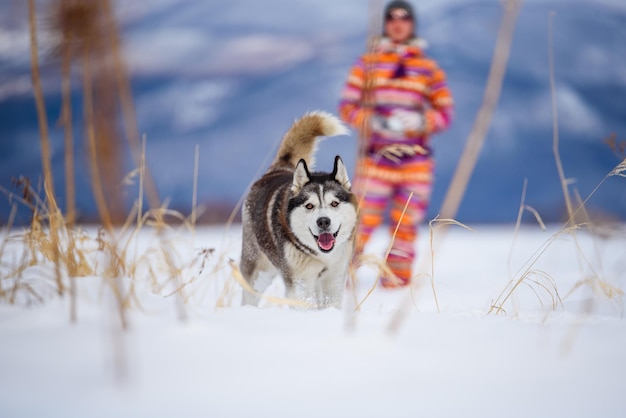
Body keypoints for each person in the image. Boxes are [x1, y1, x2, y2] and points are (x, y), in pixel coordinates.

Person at [338, 0, 454, 288]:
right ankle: (339, 279)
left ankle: (395, 284)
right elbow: (347, 107)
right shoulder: (368, 64)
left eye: (404, 19)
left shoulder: (427, 67)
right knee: (360, 221)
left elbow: (445, 113)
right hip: (376, 159)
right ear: (386, 24)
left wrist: (421, 121)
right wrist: (373, 121)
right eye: (392, 18)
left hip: (416, 162)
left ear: (411, 24)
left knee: (405, 226)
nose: (398, 23)